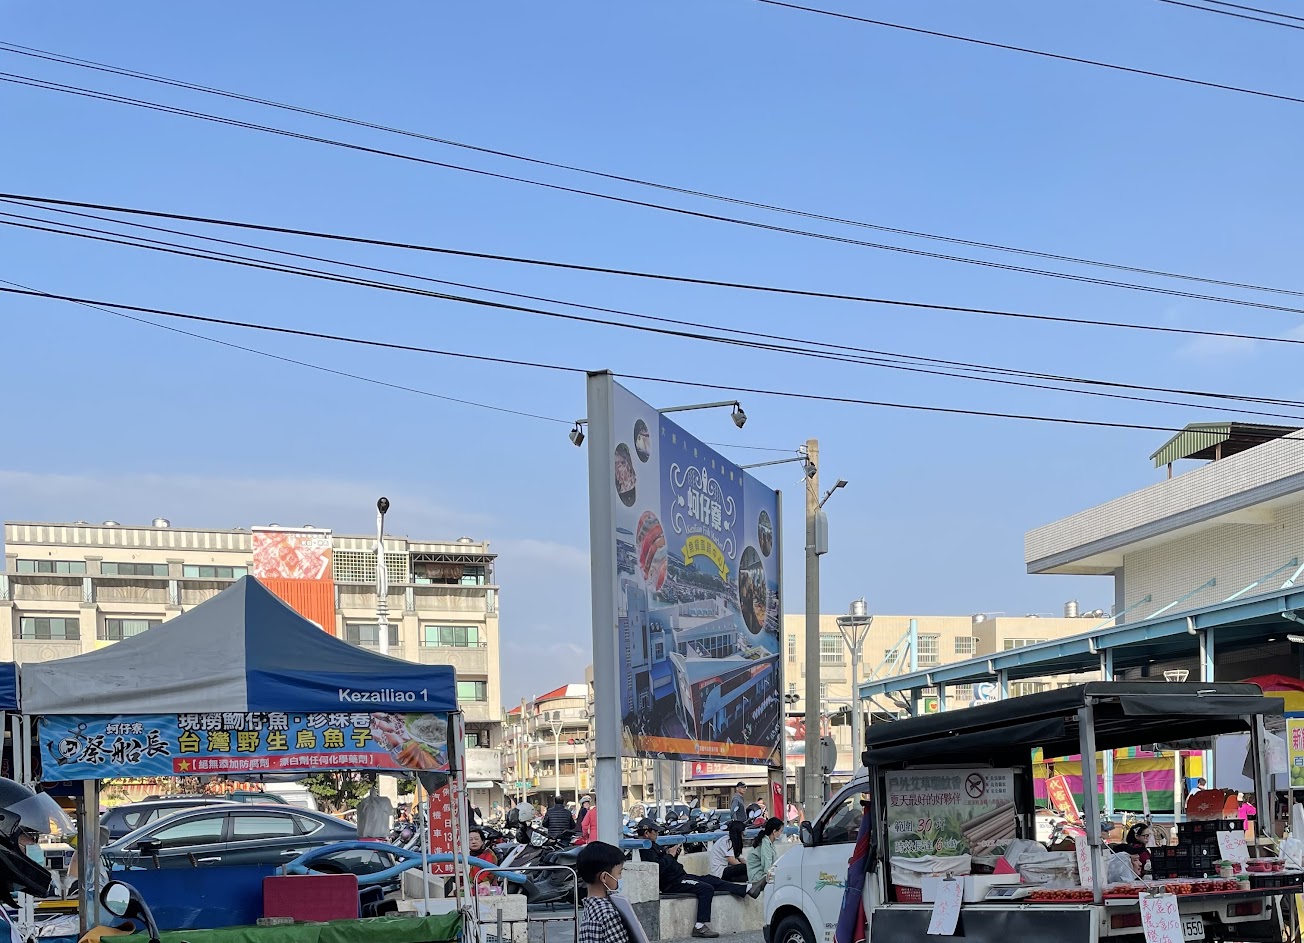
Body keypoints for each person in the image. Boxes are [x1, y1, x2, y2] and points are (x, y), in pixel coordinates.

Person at [637, 818, 763, 939]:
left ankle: (747, 888)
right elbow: (659, 868)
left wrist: (672, 854)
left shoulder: (653, 845)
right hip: (673, 883)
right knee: (706, 889)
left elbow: (666, 863)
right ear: (647, 833)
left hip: (681, 876)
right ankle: (699, 926)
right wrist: (669, 855)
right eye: (655, 831)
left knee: (712, 880)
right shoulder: (645, 849)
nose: (657, 834)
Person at [577, 841, 636, 943]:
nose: (620, 878)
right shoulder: (608, 913)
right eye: (619, 873)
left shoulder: (590, 908)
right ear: (604, 877)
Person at [746, 817, 784, 883]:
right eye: (781, 831)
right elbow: (767, 868)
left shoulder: (769, 842)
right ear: (774, 831)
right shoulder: (765, 843)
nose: (781, 834)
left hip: (761, 875)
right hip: (757, 877)